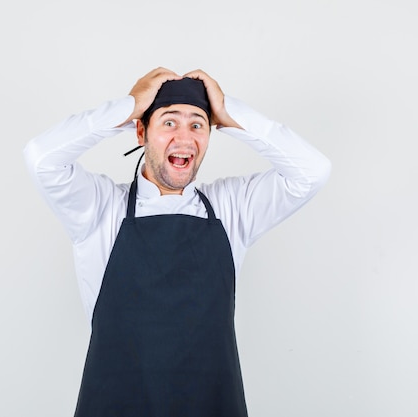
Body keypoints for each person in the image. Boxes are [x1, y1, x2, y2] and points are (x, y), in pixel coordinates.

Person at [23, 67, 331, 416]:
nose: (184, 138)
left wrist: (231, 114)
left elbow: (312, 171)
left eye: (197, 124)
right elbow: (42, 158)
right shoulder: (99, 209)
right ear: (141, 131)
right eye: (169, 122)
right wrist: (127, 107)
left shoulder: (233, 209)